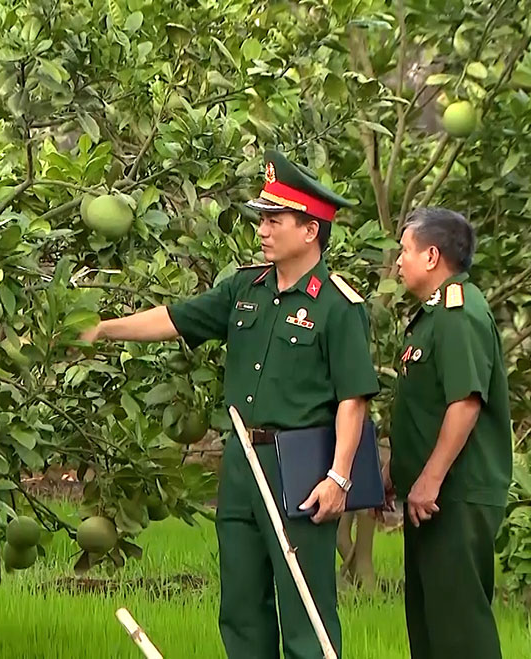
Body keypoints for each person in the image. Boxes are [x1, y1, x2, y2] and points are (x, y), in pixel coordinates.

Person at [80, 150, 380, 659]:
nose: (262, 229)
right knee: (241, 606)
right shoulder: (246, 287)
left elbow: (354, 399)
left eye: (274, 219)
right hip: (242, 461)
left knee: (307, 609)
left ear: (310, 230)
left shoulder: (336, 305)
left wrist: (340, 478)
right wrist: (103, 330)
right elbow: (175, 318)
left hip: (301, 466)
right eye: (261, 218)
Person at [389, 207, 512, 659]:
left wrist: (430, 478)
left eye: (405, 251)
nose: (398, 262)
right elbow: (428, 406)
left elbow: (465, 402)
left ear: (432, 255)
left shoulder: (458, 312)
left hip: (454, 496)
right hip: (434, 499)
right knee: (432, 627)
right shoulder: (434, 315)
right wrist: (396, 471)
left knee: (460, 632)